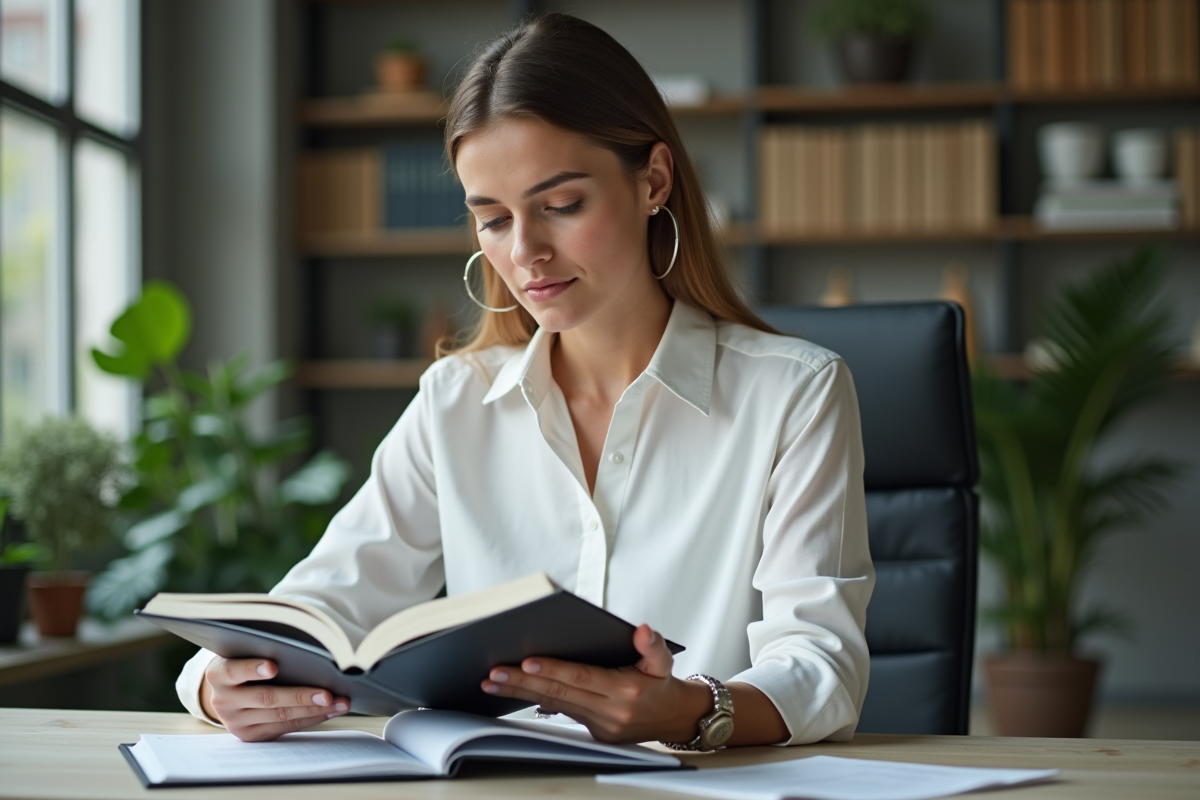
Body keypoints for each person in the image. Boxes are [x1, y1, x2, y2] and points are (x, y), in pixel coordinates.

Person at [176, 12, 874, 749]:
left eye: (562, 205)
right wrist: (219, 685)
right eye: (493, 219)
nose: (527, 251)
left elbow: (820, 662)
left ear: (654, 182)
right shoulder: (456, 401)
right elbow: (321, 603)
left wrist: (688, 710)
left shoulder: (794, 394)